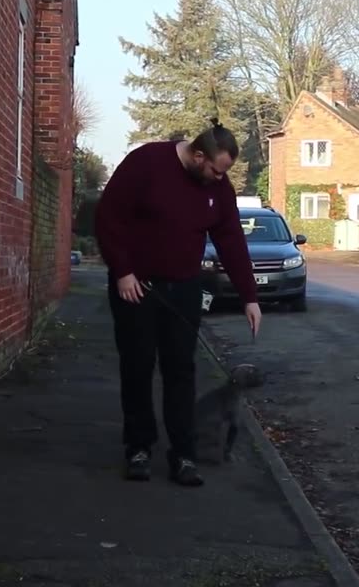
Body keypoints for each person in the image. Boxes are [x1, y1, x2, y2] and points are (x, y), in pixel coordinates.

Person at [94, 119, 262, 486]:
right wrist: (123, 271)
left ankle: (183, 456)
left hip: (184, 288)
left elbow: (231, 239)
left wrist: (249, 296)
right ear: (198, 155)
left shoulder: (219, 188)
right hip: (136, 286)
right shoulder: (146, 164)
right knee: (137, 367)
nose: (221, 179)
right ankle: (138, 449)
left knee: (181, 371)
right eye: (217, 170)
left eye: (225, 173)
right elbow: (109, 217)